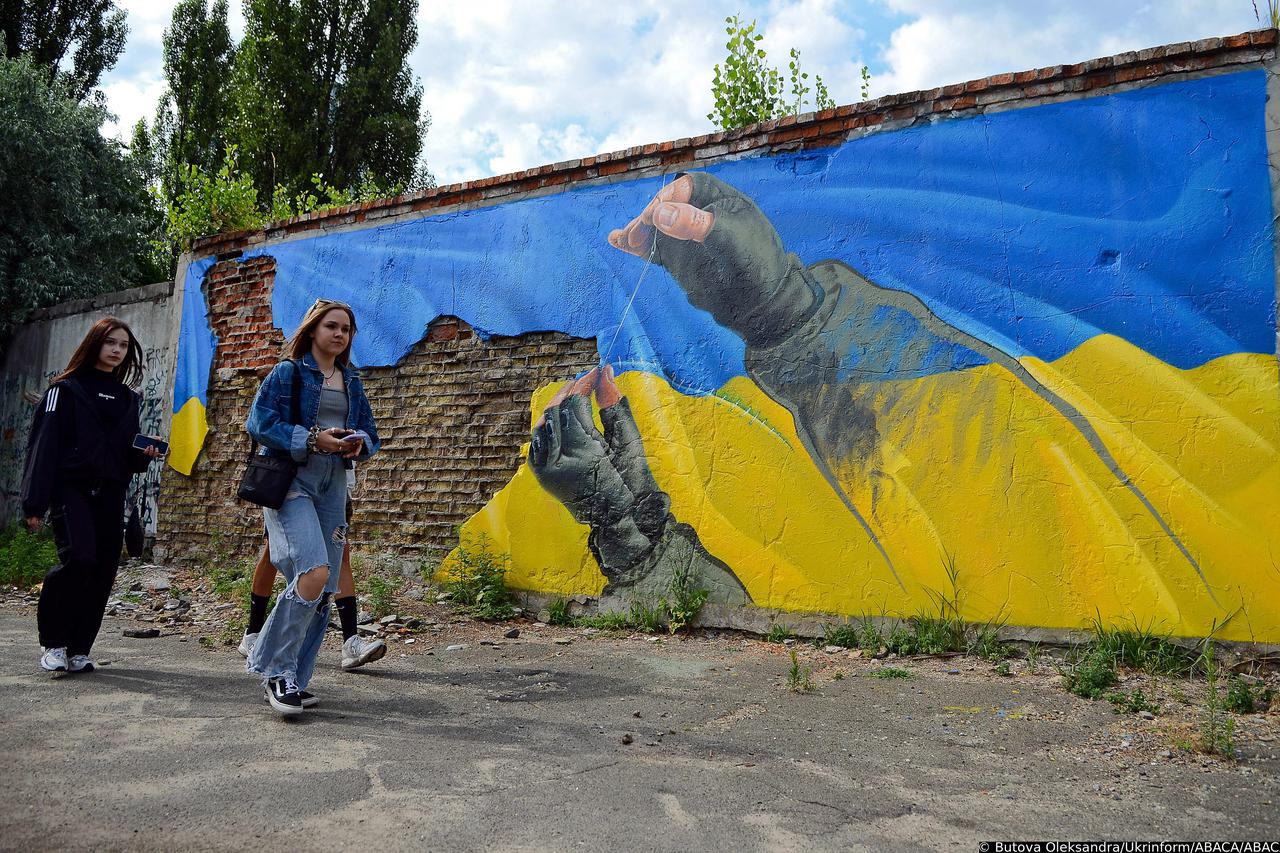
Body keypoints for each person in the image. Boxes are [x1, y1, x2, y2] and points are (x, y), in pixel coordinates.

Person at [244, 298, 380, 715]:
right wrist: (311, 437)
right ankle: (275, 670)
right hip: (292, 482)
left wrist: (359, 443)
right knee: (313, 571)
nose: (340, 334)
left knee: (323, 587)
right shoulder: (288, 373)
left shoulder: (351, 380)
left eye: (347, 329)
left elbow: (372, 432)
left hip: (334, 484)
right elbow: (259, 422)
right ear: (313, 329)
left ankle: (296, 680)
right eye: (332, 327)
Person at [21, 317, 165, 673]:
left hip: (111, 492)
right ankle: (54, 643)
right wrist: (35, 502)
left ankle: (79, 649)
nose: (117, 350)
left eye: (123, 346)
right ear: (95, 343)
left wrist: (143, 455)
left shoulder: (129, 399)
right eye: (110, 343)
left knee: (102, 570)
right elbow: (44, 446)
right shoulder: (65, 390)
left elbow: (120, 454)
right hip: (71, 490)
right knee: (79, 559)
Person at [237, 489, 388, 671]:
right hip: (295, 485)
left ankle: (350, 642)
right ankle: (253, 634)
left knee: (341, 551)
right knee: (273, 551)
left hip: (335, 484)